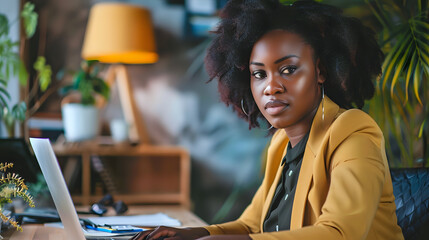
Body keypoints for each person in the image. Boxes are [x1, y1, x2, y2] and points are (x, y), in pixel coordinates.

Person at [132, 0, 404, 239]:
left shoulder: (353, 133)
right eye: (259, 74)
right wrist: (195, 233)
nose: (270, 87)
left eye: (288, 69)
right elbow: (251, 224)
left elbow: (341, 233)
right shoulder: (280, 145)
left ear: (320, 71)